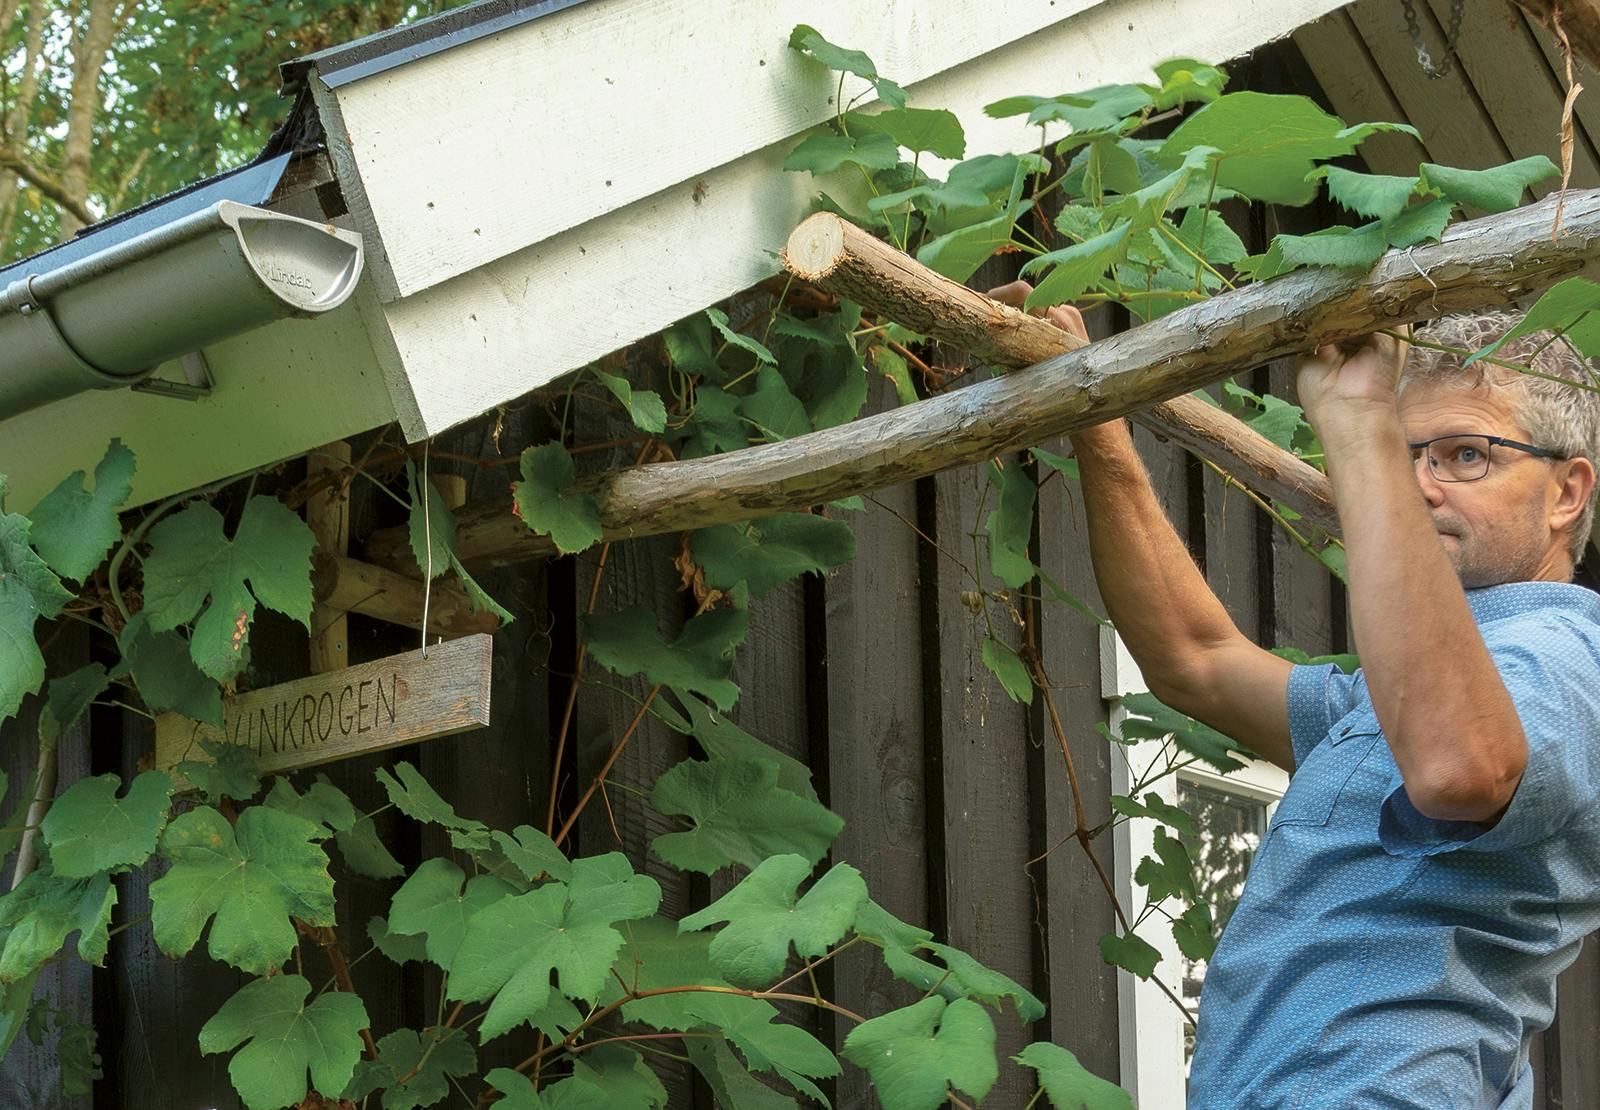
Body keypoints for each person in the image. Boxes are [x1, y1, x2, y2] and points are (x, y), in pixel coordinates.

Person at [989, 284, 1600, 1108]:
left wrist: (1359, 424)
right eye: (1406, 455)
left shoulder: (1568, 656)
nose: (1419, 486)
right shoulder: (1402, 694)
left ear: (1567, 492)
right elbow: (1196, 660)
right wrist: (1094, 420)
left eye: (1465, 455)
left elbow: (1459, 768)